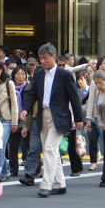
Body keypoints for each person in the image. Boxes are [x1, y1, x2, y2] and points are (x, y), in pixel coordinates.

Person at [19, 43, 83, 197]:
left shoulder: (65, 75)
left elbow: (75, 98)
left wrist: (79, 118)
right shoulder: (39, 75)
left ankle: (46, 185)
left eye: (45, 58)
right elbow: (32, 94)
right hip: (42, 115)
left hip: (59, 118)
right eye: (41, 58)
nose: (43, 61)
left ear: (54, 57)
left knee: (48, 149)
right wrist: (26, 110)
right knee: (52, 151)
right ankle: (60, 184)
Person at [8, 65, 29, 176]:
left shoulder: (30, 88)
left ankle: (34, 167)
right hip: (14, 120)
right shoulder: (9, 88)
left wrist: (25, 113)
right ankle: (13, 169)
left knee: (30, 145)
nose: (21, 77)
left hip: (27, 121)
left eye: (23, 74)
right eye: (18, 74)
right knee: (13, 146)